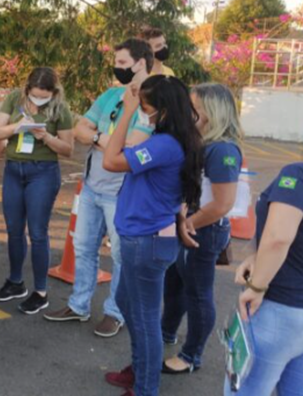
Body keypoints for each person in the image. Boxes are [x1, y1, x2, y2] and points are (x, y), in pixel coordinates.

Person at [227, 105, 303, 396]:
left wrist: (257, 286)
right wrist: (257, 257)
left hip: (283, 312)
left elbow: (279, 237)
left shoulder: (299, 174)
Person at [43, 39, 154, 338]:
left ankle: (115, 313)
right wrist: (105, 140)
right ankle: (78, 306)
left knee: (120, 256)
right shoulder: (110, 95)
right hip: (92, 187)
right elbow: (81, 130)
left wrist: (98, 136)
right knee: (83, 248)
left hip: (123, 194)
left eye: (121, 64)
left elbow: (133, 149)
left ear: (140, 63)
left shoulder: (152, 102)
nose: (117, 69)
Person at [102, 75, 204, 396]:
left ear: (163, 110)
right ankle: (142, 367)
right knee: (124, 301)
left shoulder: (164, 144)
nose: (142, 112)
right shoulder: (173, 140)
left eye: (146, 107)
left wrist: (128, 111)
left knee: (145, 321)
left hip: (146, 242)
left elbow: (110, 160)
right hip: (146, 237)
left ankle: (146, 387)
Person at [0, 68, 73, 314]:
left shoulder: (60, 109)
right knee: (14, 230)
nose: (39, 100)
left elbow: (68, 149)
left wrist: (46, 137)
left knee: (38, 232)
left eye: (44, 96)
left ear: (53, 92)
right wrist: (17, 127)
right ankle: (15, 282)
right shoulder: (14, 99)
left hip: (43, 172)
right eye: (35, 95)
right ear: (27, 88)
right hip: (13, 170)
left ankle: (40, 293)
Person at [160, 83, 242, 374]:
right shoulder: (203, 143)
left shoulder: (222, 150)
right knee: (175, 285)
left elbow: (222, 204)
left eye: (194, 108)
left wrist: (188, 225)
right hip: (189, 224)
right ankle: (166, 332)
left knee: (197, 293)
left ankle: (191, 356)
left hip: (202, 229)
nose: (189, 113)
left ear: (211, 110)